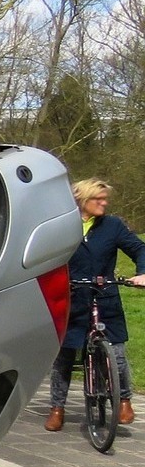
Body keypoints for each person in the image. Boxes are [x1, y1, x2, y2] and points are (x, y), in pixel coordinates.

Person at [45, 178, 145, 432]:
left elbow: (139, 249)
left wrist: (142, 272)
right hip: (72, 298)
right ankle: (57, 408)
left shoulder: (112, 226)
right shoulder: (62, 226)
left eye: (105, 199)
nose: (104, 203)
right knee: (65, 356)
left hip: (105, 297)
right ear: (82, 200)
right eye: (97, 199)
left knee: (118, 354)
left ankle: (124, 401)